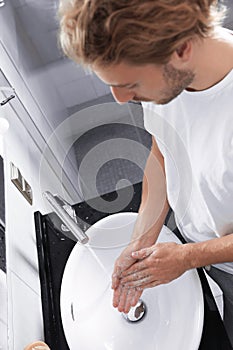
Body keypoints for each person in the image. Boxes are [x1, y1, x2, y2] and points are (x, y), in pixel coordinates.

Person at [58, 0, 233, 345]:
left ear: (181, 49)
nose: (120, 99)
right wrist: (140, 242)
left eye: (129, 83)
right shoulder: (171, 76)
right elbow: (163, 152)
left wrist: (188, 257)